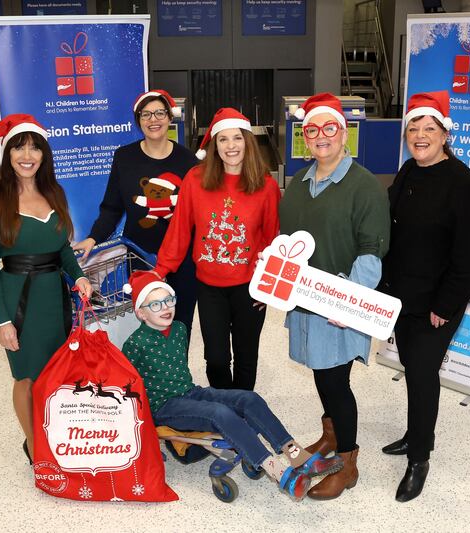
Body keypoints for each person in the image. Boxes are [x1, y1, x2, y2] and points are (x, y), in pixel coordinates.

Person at [121, 272, 343, 500]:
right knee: (220, 413)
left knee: (249, 399)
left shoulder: (179, 329)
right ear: (140, 312)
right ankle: (278, 472)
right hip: (164, 407)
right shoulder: (135, 344)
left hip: (190, 393)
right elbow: (124, 385)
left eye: (169, 300)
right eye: (155, 304)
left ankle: (298, 457)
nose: (165, 307)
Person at [279, 93, 390, 500]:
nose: (321, 137)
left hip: (339, 306)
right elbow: (287, 243)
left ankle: (348, 462)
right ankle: (330, 436)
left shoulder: (364, 186)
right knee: (322, 374)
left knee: (336, 381)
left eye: (330, 129)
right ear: (304, 136)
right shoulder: (299, 183)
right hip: (307, 303)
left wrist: (349, 304)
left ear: (345, 134)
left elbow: (371, 253)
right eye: (312, 130)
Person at [379, 91, 470, 502]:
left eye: (429, 129)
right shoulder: (408, 171)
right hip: (404, 295)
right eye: (413, 129)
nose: (420, 136)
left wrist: (446, 304)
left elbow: (468, 254)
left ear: (445, 135)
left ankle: (419, 458)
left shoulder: (462, 184)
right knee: (411, 366)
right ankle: (415, 433)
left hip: (438, 302)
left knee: (423, 374)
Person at [0, 114, 93, 464]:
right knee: (25, 376)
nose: (27, 155)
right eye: (18, 147)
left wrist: (78, 276)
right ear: (7, 154)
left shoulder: (54, 193)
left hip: (54, 301)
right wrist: (2, 321)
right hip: (19, 304)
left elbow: (61, 250)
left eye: (34, 148)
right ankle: (34, 445)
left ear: (44, 155)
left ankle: (53, 431)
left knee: (55, 373)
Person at [149, 108, 281, 391]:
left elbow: (271, 239)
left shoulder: (266, 186)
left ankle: (242, 412)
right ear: (214, 145)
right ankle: (224, 408)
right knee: (216, 359)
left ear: (247, 141)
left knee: (246, 358)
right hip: (209, 287)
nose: (231, 146)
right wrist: (159, 271)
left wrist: (267, 286)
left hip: (250, 288)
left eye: (237, 138)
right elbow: (179, 231)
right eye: (223, 140)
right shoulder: (195, 181)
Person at [73, 90, 198, 341]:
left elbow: (200, 211)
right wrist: (93, 238)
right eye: (146, 114)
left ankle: (176, 376)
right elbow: (112, 207)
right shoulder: (124, 157)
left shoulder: (188, 161)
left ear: (169, 117)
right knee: (147, 325)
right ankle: (147, 378)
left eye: (160, 112)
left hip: (182, 258)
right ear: (138, 120)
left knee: (180, 324)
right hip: (139, 256)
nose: (154, 119)